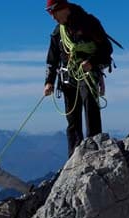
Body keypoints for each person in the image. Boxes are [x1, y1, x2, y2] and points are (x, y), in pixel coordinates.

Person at [43, 0, 113, 157]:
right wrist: (49, 82)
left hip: (87, 74)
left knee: (90, 111)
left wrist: (92, 62)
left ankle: (94, 150)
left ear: (64, 9)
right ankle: (74, 156)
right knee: (72, 120)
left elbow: (106, 49)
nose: (53, 18)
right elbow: (52, 59)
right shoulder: (58, 32)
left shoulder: (89, 23)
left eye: (54, 13)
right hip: (68, 77)